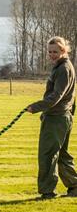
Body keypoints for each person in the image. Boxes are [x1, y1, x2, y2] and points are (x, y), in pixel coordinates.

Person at [27, 36, 77, 199]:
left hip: (57, 118)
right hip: (62, 117)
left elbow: (57, 96)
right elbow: (71, 97)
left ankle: (47, 192)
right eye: (49, 52)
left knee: (48, 154)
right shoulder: (63, 66)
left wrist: (36, 107)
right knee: (61, 154)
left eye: (55, 51)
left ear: (64, 50)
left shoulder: (63, 69)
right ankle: (74, 186)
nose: (52, 55)